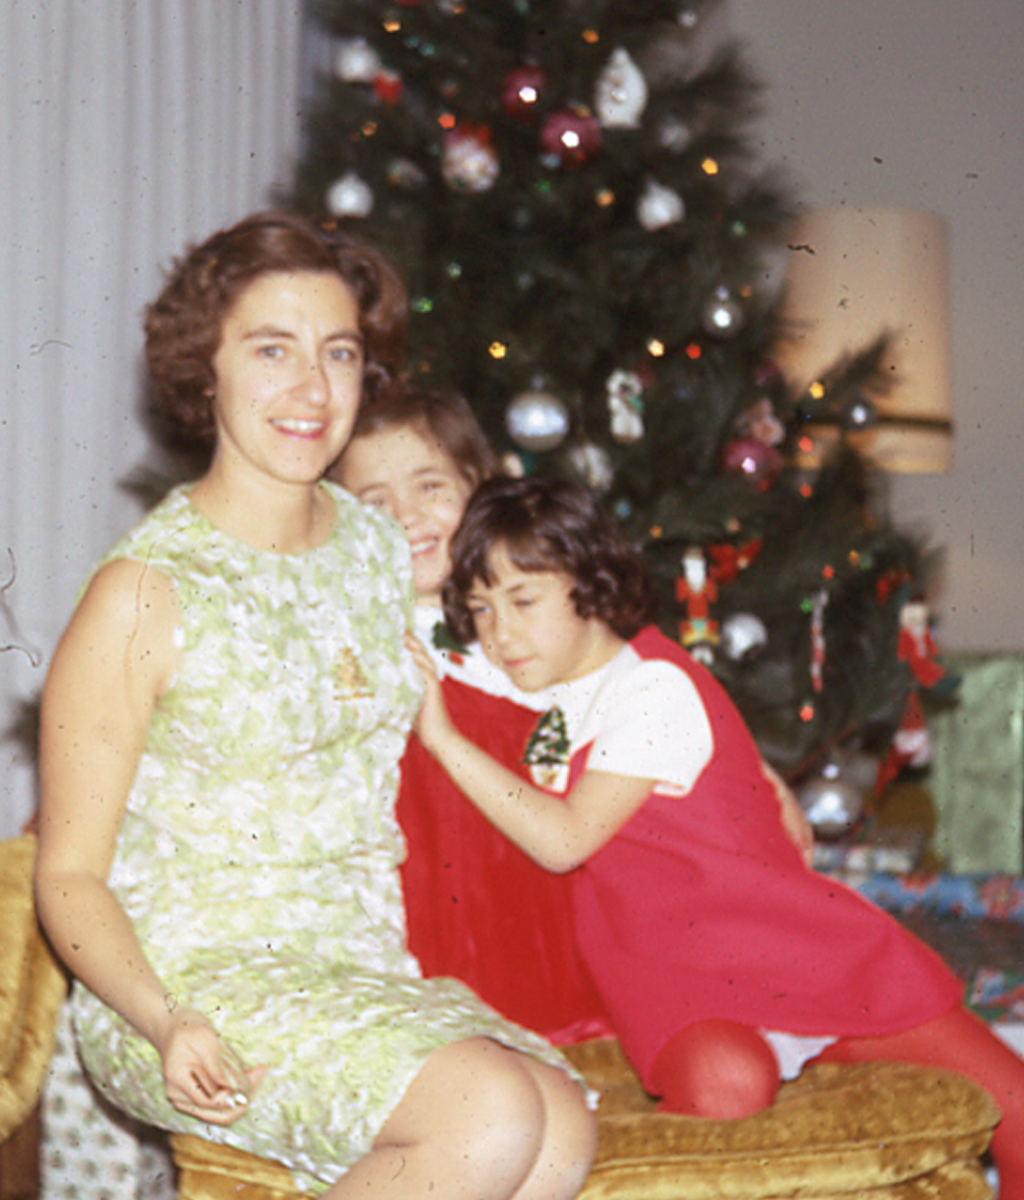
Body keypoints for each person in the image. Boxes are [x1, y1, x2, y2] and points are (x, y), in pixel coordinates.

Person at [33, 212, 597, 1200]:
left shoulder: (375, 549)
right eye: (271, 350)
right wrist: (166, 1020)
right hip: (183, 981)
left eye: (338, 352)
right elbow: (69, 877)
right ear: (202, 370)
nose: (313, 388)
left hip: (351, 961)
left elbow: (526, 655)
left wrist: (718, 750)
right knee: (493, 1115)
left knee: (555, 1124)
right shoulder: (142, 595)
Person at [410, 474, 1024, 1194]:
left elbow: (566, 840)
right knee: (725, 1083)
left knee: (1013, 1106)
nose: (500, 632)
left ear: (591, 585)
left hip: (789, 945)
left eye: (522, 600)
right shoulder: (535, 670)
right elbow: (426, 632)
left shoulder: (651, 687)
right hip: (674, 974)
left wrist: (445, 741)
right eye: (480, 609)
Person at [333, 385, 613, 1043]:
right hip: (433, 924)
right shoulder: (366, 633)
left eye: (430, 486)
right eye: (374, 502)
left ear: (481, 489)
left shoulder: (536, 611)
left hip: (546, 905)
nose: (406, 514)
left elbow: (639, 701)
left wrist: (762, 779)